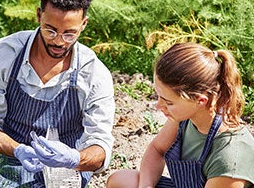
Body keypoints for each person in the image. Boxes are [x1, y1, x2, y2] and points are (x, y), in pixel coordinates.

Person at [0, 0, 115, 187]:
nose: (58, 41)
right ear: (39, 15)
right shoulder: (2, 55)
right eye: (50, 30)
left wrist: (74, 159)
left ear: (84, 24)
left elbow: (101, 146)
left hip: (66, 171)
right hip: (10, 162)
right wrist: (18, 150)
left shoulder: (94, 74)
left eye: (69, 33)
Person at [106, 42, 254, 188]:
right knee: (121, 180)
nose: (158, 106)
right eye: (158, 96)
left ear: (200, 100)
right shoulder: (186, 116)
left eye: (168, 102)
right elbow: (157, 150)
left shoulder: (229, 158)